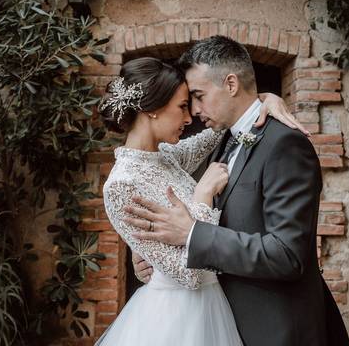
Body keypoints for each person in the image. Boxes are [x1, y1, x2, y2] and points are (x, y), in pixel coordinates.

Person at [124, 36, 349, 346]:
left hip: (277, 331)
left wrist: (193, 235)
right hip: (228, 326)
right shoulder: (224, 139)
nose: (194, 109)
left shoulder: (285, 144)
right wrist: (162, 258)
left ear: (231, 84)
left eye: (200, 95)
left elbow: (287, 254)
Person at [94, 56, 303, 346]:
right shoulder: (121, 185)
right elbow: (188, 275)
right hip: (176, 319)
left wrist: (265, 99)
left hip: (215, 305)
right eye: (182, 106)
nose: (190, 117)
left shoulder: (167, 156)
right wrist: (202, 196)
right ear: (151, 110)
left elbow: (221, 125)